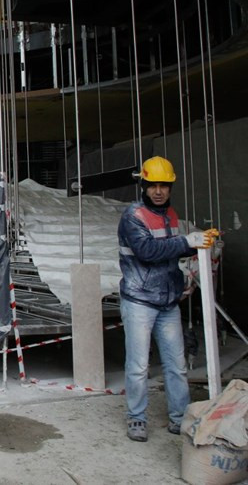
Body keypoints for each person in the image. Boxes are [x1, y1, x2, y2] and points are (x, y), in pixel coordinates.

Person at [118, 156, 215, 442]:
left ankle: (179, 418)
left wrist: (200, 245)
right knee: (138, 366)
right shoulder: (132, 216)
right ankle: (137, 418)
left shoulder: (170, 215)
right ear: (143, 186)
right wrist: (189, 241)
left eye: (164, 185)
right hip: (139, 300)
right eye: (153, 185)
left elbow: (170, 251)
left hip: (168, 301)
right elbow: (148, 251)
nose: (158, 191)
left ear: (170, 188)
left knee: (176, 365)